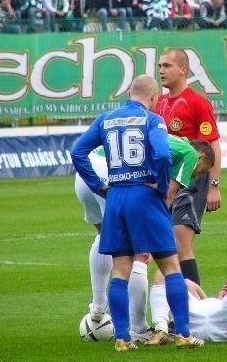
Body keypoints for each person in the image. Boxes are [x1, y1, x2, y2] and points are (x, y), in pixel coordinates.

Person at [71, 75, 204, 351]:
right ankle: (183, 333)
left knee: (120, 269)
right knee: (170, 265)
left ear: (129, 93)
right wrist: (162, 185)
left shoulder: (106, 119)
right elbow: (165, 154)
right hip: (144, 196)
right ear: (154, 97)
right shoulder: (153, 120)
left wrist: (98, 186)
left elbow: (77, 152)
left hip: (116, 195)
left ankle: (122, 337)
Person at [75, 136, 214, 342]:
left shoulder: (169, 140)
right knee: (137, 255)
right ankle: (139, 329)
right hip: (114, 175)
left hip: (86, 173)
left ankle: (97, 307)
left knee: (102, 233)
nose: (196, 175)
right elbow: (167, 198)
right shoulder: (189, 154)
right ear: (201, 156)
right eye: (201, 170)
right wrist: (150, 233)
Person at [155, 48, 222, 286]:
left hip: (192, 181)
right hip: (165, 181)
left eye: (167, 66)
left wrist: (214, 185)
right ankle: (174, 312)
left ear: (183, 70)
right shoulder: (159, 102)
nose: (161, 70)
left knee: (180, 243)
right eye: (160, 66)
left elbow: (212, 145)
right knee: (165, 247)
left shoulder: (197, 102)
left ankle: (195, 310)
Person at [145, 265, 227, 345]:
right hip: (192, 319)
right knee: (163, 272)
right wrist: (203, 297)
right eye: (225, 287)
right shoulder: (205, 302)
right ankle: (161, 330)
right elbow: (187, 282)